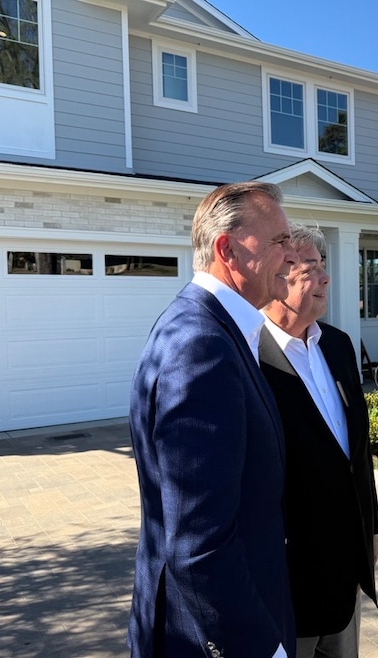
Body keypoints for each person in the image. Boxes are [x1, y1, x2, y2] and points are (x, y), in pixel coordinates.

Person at [127, 182, 299, 658]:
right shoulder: (201, 346)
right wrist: (264, 649)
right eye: (280, 241)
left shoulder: (208, 328)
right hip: (210, 640)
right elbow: (199, 546)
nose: (292, 254)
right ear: (229, 249)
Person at [259, 223, 378, 658]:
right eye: (311, 267)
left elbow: (357, 453)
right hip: (287, 580)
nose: (326, 277)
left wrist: (370, 530)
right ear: (278, 274)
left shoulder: (339, 345)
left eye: (323, 265)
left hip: (345, 569)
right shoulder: (247, 356)